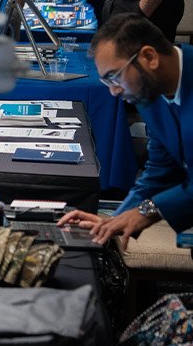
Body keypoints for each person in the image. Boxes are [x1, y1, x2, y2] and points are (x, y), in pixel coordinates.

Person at [59, 14, 193, 244]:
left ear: (149, 57)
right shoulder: (151, 91)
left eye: (114, 77)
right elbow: (162, 170)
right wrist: (114, 221)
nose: (114, 92)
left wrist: (148, 211)